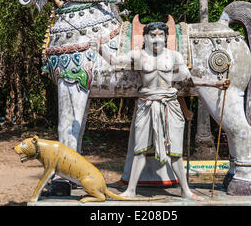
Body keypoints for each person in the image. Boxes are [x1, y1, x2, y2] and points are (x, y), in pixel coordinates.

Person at [91, 21, 229, 200]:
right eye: (152, 35)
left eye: (160, 35)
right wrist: (99, 48)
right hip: (146, 104)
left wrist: (215, 83)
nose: (157, 39)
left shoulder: (174, 56)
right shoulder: (138, 56)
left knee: (176, 151)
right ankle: (131, 190)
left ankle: (185, 190)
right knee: (139, 149)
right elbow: (114, 61)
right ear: (145, 38)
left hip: (170, 105)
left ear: (166, 37)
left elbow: (188, 81)